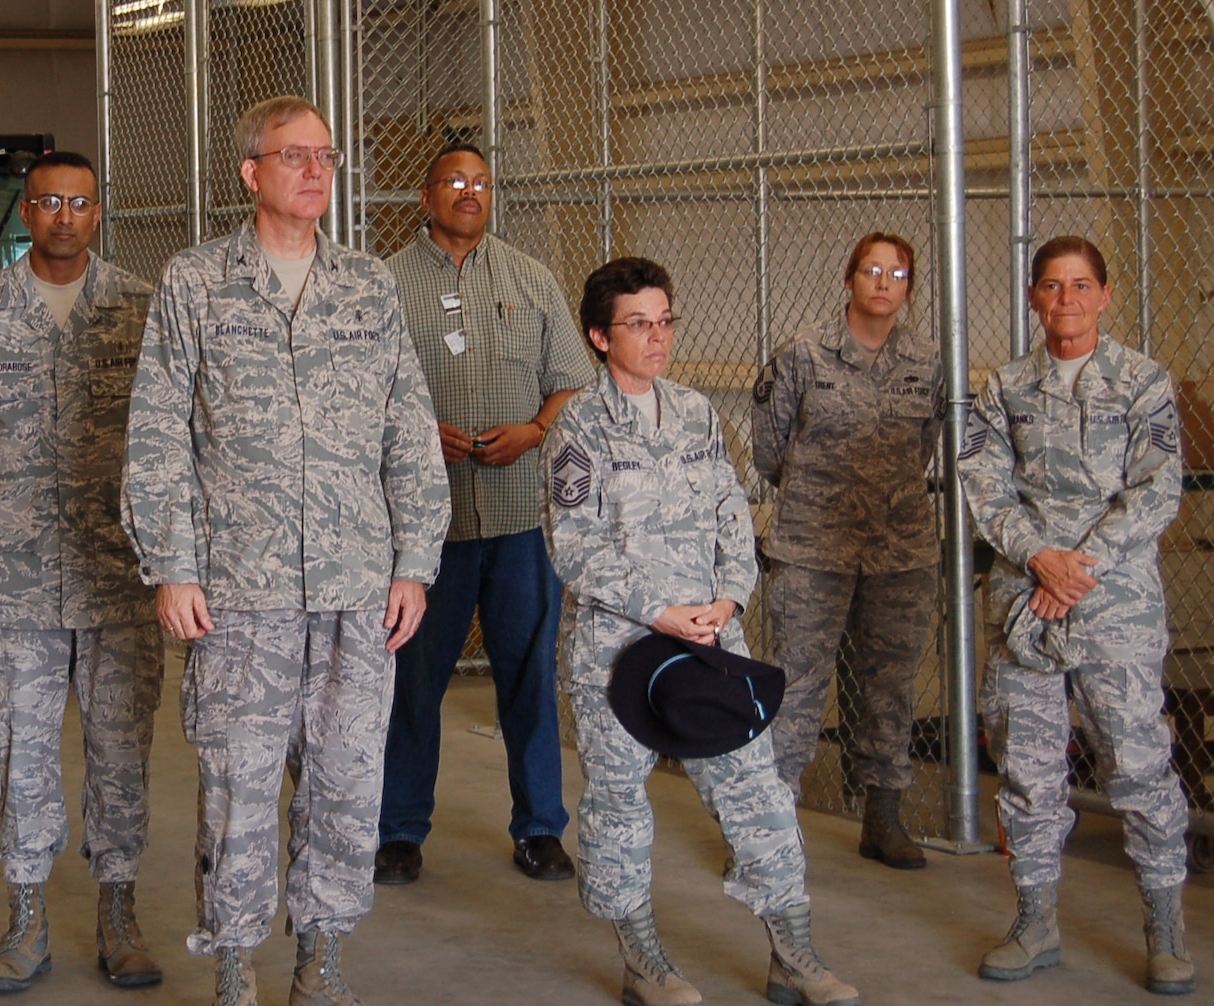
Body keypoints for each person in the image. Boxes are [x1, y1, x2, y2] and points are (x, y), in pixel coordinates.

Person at [121, 96, 450, 1006]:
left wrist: (414, 560)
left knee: (345, 778)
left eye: (326, 156)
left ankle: (322, 959)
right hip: (240, 587)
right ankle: (235, 966)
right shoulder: (195, 283)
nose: (315, 170)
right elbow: (158, 433)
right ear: (250, 172)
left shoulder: (368, 286)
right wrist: (174, 563)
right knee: (238, 779)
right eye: (294, 155)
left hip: (355, 583)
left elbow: (407, 428)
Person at [545, 258, 858, 1006]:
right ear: (598, 336)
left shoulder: (694, 414)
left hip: (710, 644)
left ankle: (794, 952)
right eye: (638, 324)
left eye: (665, 321)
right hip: (619, 652)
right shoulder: (577, 430)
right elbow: (573, 547)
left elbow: (730, 513)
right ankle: (642, 961)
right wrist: (657, 608)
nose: (658, 338)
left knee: (757, 792)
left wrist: (730, 601)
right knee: (620, 805)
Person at [0, 151, 164, 994]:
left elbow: (169, 437)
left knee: (120, 751)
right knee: (20, 753)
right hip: (16, 583)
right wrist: (1, 518)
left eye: (81, 203)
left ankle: (118, 913)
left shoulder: (139, 309)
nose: (65, 216)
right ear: (24, 214)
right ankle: (26, 921)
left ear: (100, 213)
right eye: (48, 203)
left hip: (119, 579)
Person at [961, 236, 1192, 994]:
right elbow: (985, 485)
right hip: (1026, 603)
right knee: (1028, 770)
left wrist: (1075, 567)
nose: (1068, 300)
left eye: (1082, 285)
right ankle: (1036, 921)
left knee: (1139, 763)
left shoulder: (1143, 382)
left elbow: (1156, 490)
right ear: (1034, 296)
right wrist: (1038, 559)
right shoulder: (1003, 387)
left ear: (1105, 293)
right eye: (1053, 287)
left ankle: (1165, 926)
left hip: (1112, 602)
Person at [375, 141, 594, 885]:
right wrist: (410, 433)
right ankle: (398, 829)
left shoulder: (530, 279)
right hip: (422, 533)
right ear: (425, 196)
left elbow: (572, 382)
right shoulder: (383, 285)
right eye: (453, 182)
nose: (469, 192)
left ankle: (539, 828)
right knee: (412, 680)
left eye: (480, 183)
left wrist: (536, 431)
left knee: (530, 677)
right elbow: (359, 391)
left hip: (519, 521)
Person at [751, 232, 944, 868]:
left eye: (897, 273)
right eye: (871, 270)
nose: (884, 282)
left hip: (899, 552)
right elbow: (771, 449)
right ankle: (773, 829)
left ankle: (881, 818)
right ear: (850, 278)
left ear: (909, 287)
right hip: (813, 549)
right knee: (797, 684)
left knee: (889, 685)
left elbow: (924, 449)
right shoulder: (803, 353)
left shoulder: (929, 360)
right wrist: (820, 495)